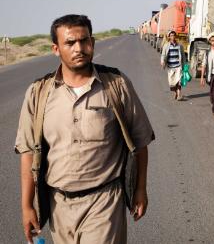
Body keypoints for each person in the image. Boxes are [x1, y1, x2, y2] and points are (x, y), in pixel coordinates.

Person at [15, 14, 155, 244]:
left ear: (92, 43)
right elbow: (28, 152)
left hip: (105, 202)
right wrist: (27, 207)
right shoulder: (38, 92)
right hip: (58, 206)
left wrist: (140, 189)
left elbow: (140, 142)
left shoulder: (116, 84)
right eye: (70, 43)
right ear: (56, 49)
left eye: (84, 41)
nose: (79, 48)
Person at [161, 30, 186, 101]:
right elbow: (163, 55)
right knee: (171, 84)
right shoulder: (166, 46)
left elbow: (183, 56)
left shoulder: (179, 46)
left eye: (174, 35)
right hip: (170, 67)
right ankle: (175, 92)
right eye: (171, 35)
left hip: (178, 66)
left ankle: (179, 95)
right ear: (169, 37)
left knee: (179, 81)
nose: (173, 37)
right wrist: (162, 61)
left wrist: (184, 65)